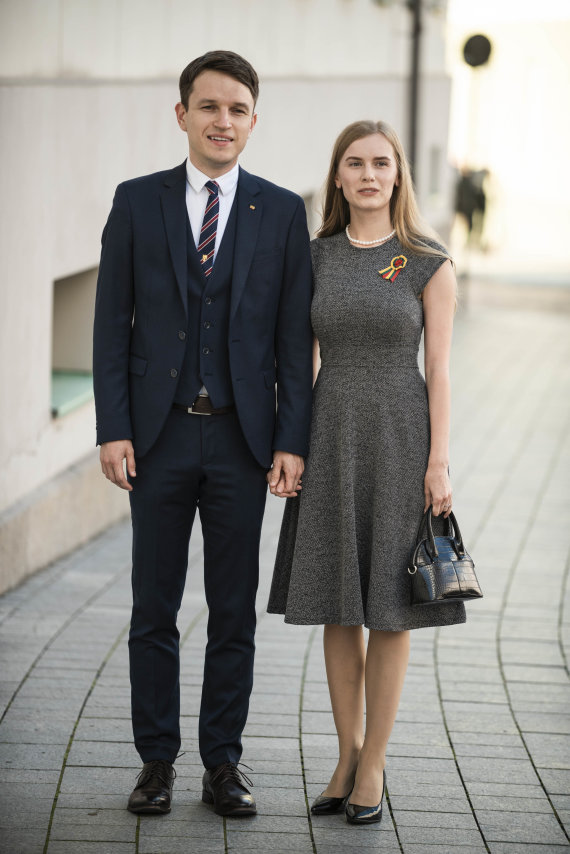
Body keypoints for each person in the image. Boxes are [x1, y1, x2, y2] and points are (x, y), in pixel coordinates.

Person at [93, 50, 312, 818]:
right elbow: (109, 327)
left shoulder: (281, 211)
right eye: (210, 107)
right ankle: (156, 762)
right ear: (181, 114)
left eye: (238, 110)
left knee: (232, 608)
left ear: (254, 120)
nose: (224, 122)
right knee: (152, 606)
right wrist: (112, 428)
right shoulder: (136, 201)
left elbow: (292, 340)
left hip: (240, 442)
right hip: (155, 441)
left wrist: (292, 441)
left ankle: (223, 762)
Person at [268, 120, 466, 825]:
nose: (368, 175)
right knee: (335, 602)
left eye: (381, 163)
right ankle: (345, 754)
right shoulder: (314, 257)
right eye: (354, 163)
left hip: (399, 437)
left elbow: (440, 368)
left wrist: (438, 462)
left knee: (389, 607)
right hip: (329, 434)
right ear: (338, 176)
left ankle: (374, 761)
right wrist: (289, 445)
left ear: (399, 174)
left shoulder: (427, 260)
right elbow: (301, 361)